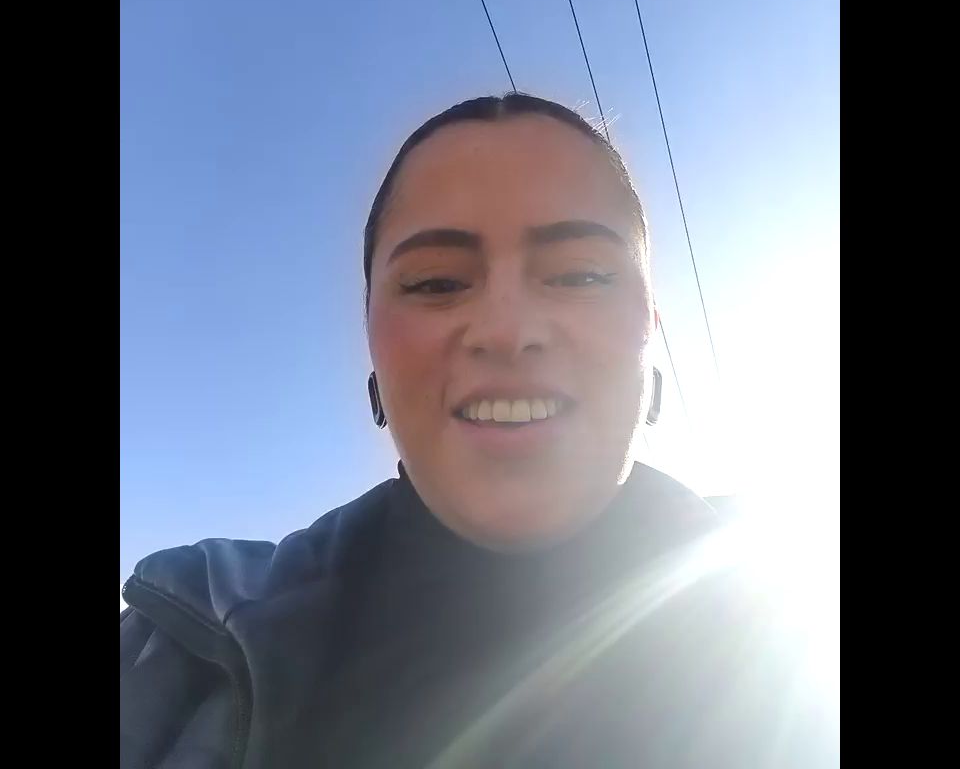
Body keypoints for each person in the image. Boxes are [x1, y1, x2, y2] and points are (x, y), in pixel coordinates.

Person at [120, 93, 837, 768]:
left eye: (581, 275)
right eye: (436, 282)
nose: (507, 329)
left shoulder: (806, 626)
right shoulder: (181, 648)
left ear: (651, 326)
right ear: (371, 342)